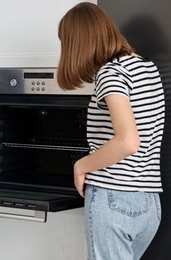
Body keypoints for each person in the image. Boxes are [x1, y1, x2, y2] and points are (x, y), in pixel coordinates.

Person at [56, 3, 165, 260]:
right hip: (148, 203)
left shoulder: (111, 73)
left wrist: (81, 166)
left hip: (115, 199)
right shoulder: (146, 67)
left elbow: (128, 141)